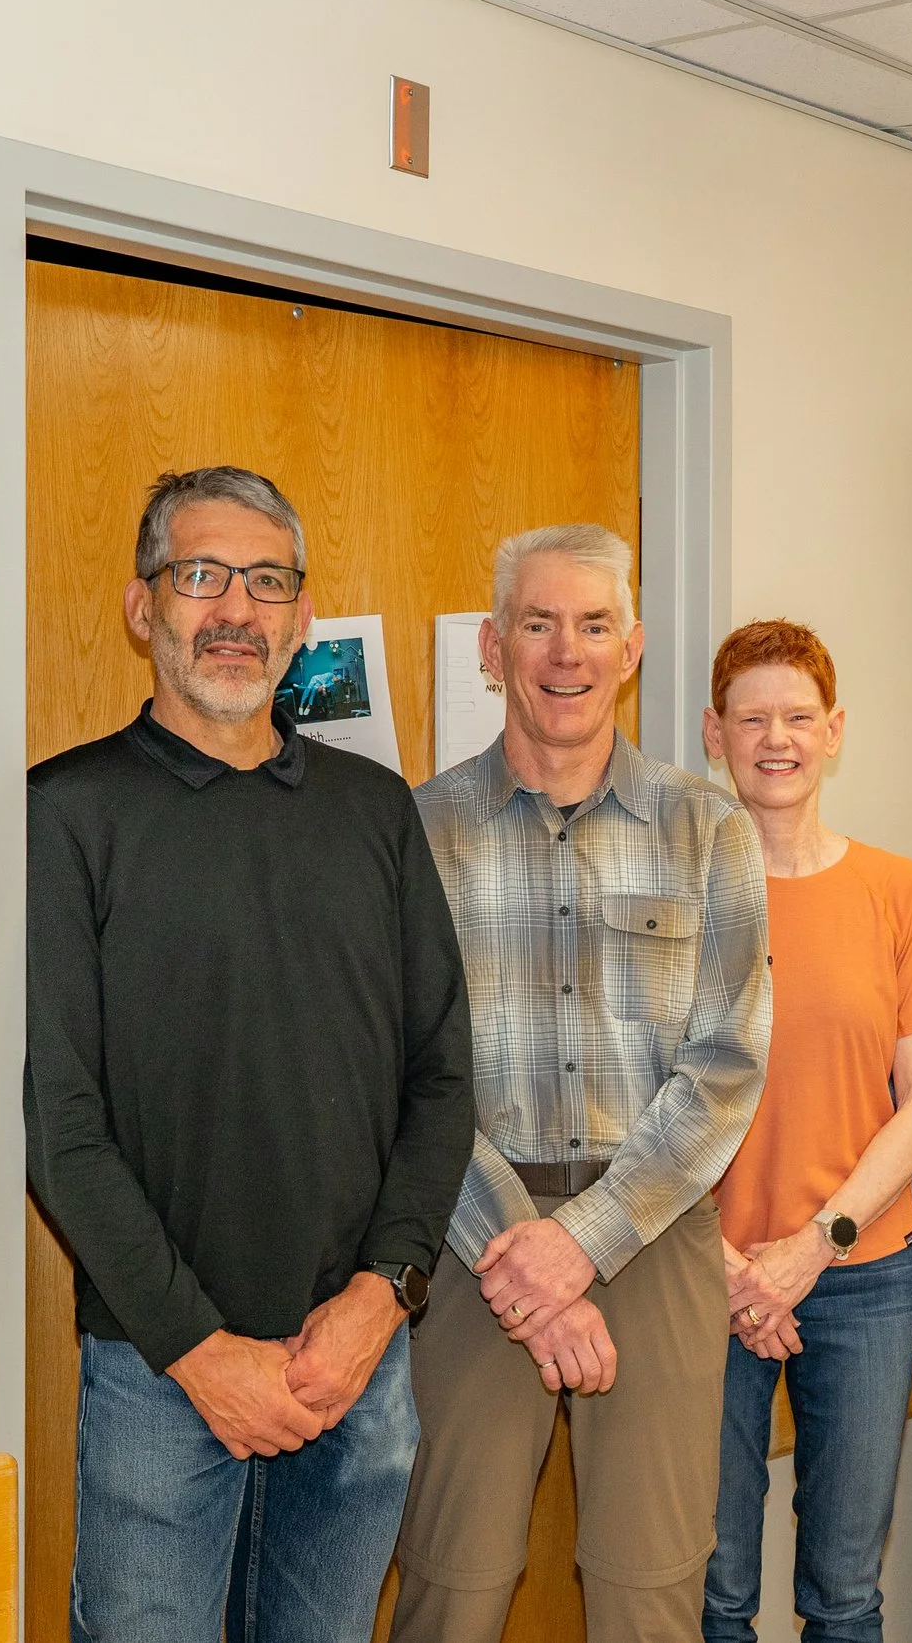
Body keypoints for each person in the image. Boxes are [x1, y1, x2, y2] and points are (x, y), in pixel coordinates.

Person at [25, 466, 475, 1643]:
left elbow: (439, 1079)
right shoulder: (62, 815)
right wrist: (198, 1349)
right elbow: (58, 1124)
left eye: (266, 580)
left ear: (301, 616)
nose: (236, 608)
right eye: (201, 576)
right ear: (143, 607)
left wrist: (380, 1299)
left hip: (356, 1362)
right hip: (159, 1368)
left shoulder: (376, 812)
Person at [391, 523, 772, 1643]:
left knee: (649, 1588)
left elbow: (726, 1064)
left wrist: (582, 1242)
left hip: (656, 1236)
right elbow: (409, 1069)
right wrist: (521, 1249)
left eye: (594, 624)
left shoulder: (709, 828)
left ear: (633, 646)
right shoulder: (413, 831)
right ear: (490, 645)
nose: (566, 652)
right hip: (468, 1243)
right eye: (539, 622)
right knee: (449, 1585)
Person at [699, 621, 912, 1643]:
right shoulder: (684, 891)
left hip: (860, 1273)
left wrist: (811, 1250)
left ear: (835, 730)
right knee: (713, 1581)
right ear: (713, 734)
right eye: (751, 717)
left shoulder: (895, 890)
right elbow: (639, 1101)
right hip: (704, 1268)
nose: (777, 738)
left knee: (845, 1589)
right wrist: (733, 1266)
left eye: (798, 717)